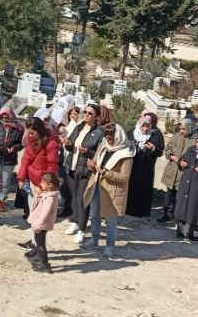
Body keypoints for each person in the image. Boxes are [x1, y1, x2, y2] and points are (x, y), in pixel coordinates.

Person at [82, 117, 135, 258]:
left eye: (111, 138)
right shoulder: (104, 145)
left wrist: (106, 172)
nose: (108, 140)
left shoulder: (126, 153)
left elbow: (124, 177)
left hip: (112, 191)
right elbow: (96, 161)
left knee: (110, 220)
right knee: (94, 215)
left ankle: (110, 246)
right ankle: (94, 239)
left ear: (118, 137)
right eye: (107, 137)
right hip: (97, 185)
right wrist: (91, 165)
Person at [61, 102, 103, 244]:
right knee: (73, 197)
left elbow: (99, 152)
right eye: (85, 112)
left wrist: (88, 152)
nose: (86, 115)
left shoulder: (99, 132)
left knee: (82, 199)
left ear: (96, 117)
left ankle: (82, 229)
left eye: (90, 113)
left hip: (85, 169)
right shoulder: (79, 127)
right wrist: (67, 143)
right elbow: (70, 144)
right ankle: (75, 221)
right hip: (72, 166)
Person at [16, 117, 59, 249]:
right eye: (28, 132)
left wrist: (43, 186)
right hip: (32, 181)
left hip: (43, 185)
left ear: (39, 131)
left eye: (32, 133)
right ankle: (33, 241)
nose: (29, 135)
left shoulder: (51, 143)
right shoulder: (31, 141)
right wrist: (21, 178)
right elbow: (25, 160)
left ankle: (37, 247)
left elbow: (52, 166)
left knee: (40, 217)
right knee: (32, 214)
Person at [0, 107, 25, 213]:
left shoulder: (18, 127)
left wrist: (14, 148)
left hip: (9, 159)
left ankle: (1, 200)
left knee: (6, 182)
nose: (5, 118)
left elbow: (22, 143)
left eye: (7, 116)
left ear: (11, 115)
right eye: (3, 116)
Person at [158, 118, 198, 223]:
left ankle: (179, 218)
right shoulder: (177, 136)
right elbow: (167, 149)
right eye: (181, 129)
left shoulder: (197, 139)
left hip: (185, 173)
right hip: (172, 171)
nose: (182, 131)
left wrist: (188, 163)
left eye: (184, 129)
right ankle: (167, 216)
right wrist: (172, 156)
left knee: (181, 197)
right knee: (169, 195)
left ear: (190, 128)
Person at [126, 113, 165, 218]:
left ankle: (141, 211)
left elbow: (160, 151)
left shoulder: (154, 135)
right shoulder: (130, 133)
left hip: (146, 167)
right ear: (139, 125)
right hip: (132, 167)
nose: (145, 128)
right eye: (143, 126)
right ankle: (128, 209)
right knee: (130, 187)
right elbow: (123, 146)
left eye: (147, 126)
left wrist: (153, 148)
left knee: (144, 189)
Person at [23, 172, 61, 273]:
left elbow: (45, 213)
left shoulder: (50, 198)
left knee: (40, 244)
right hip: (40, 224)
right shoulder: (47, 194)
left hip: (42, 225)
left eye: (43, 183)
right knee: (38, 242)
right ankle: (40, 260)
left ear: (50, 185)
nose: (41, 184)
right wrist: (38, 194)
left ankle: (45, 264)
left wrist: (39, 226)